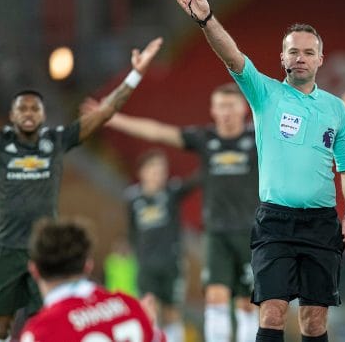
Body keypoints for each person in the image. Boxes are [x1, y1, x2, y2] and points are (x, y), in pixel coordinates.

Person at [171, 0, 345, 342]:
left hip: (322, 223)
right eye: (294, 52)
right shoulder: (265, 94)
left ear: (321, 59)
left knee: (314, 321)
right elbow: (233, 57)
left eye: (309, 52)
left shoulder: (336, 109)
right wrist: (207, 19)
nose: (301, 57)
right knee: (272, 312)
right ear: (283, 58)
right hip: (275, 222)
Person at [0, 37, 163, 342]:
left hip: (44, 249)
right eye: (22, 108)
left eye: (35, 107)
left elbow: (103, 114)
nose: (29, 112)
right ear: (13, 116)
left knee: (52, 321)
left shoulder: (56, 142)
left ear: (43, 115)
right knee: (1, 325)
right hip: (6, 247)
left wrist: (134, 75)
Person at [82, 82, 260, 342]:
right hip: (215, 233)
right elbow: (158, 132)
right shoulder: (205, 139)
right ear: (212, 110)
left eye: (231, 106)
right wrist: (114, 118)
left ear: (243, 109)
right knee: (215, 297)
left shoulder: (256, 137)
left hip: (249, 231)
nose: (226, 112)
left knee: (247, 302)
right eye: (221, 106)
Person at [19, 219, 166, 342]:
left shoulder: (40, 332)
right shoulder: (129, 306)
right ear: (88, 265)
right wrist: (149, 325)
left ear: (34, 270)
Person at [124, 149, 198, 342]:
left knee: (172, 312)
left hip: (172, 263)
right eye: (154, 168)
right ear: (142, 172)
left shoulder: (172, 192)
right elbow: (132, 231)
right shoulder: (132, 199)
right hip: (146, 265)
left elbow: (197, 180)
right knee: (148, 311)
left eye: (162, 169)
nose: (159, 173)